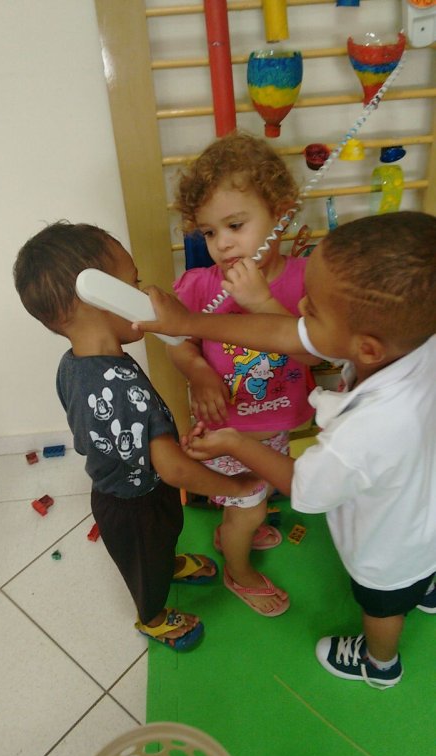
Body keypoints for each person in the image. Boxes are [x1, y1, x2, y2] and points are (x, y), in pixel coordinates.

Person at [135, 210, 436, 687]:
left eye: (311, 310)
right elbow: (283, 333)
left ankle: (379, 664)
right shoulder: (415, 340)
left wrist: (234, 441)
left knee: (382, 605)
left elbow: (303, 486)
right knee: (421, 572)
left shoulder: (367, 431)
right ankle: (426, 587)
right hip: (426, 514)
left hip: (390, 547)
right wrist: (188, 321)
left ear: (367, 348)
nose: (300, 309)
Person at [13, 221, 261, 653]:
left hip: (129, 490)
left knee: (160, 544)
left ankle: (167, 563)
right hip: (134, 504)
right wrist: (234, 487)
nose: (145, 294)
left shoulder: (73, 365)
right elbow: (174, 469)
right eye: (133, 284)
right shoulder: (117, 384)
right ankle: (153, 618)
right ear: (99, 297)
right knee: (146, 567)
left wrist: (162, 439)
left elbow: (124, 432)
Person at [166, 131, 318, 616]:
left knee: (259, 492)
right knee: (248, 507)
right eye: (210, 233)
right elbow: (177, 340)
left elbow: (315, 356)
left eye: (235, 225)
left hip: (277, 425)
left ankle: (241, 521)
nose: (222, 244)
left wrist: (263, 303)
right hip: (227, 431)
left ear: (281, 214)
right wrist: (198, 372)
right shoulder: (198, 286)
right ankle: (239, 568)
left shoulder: (307, 280)